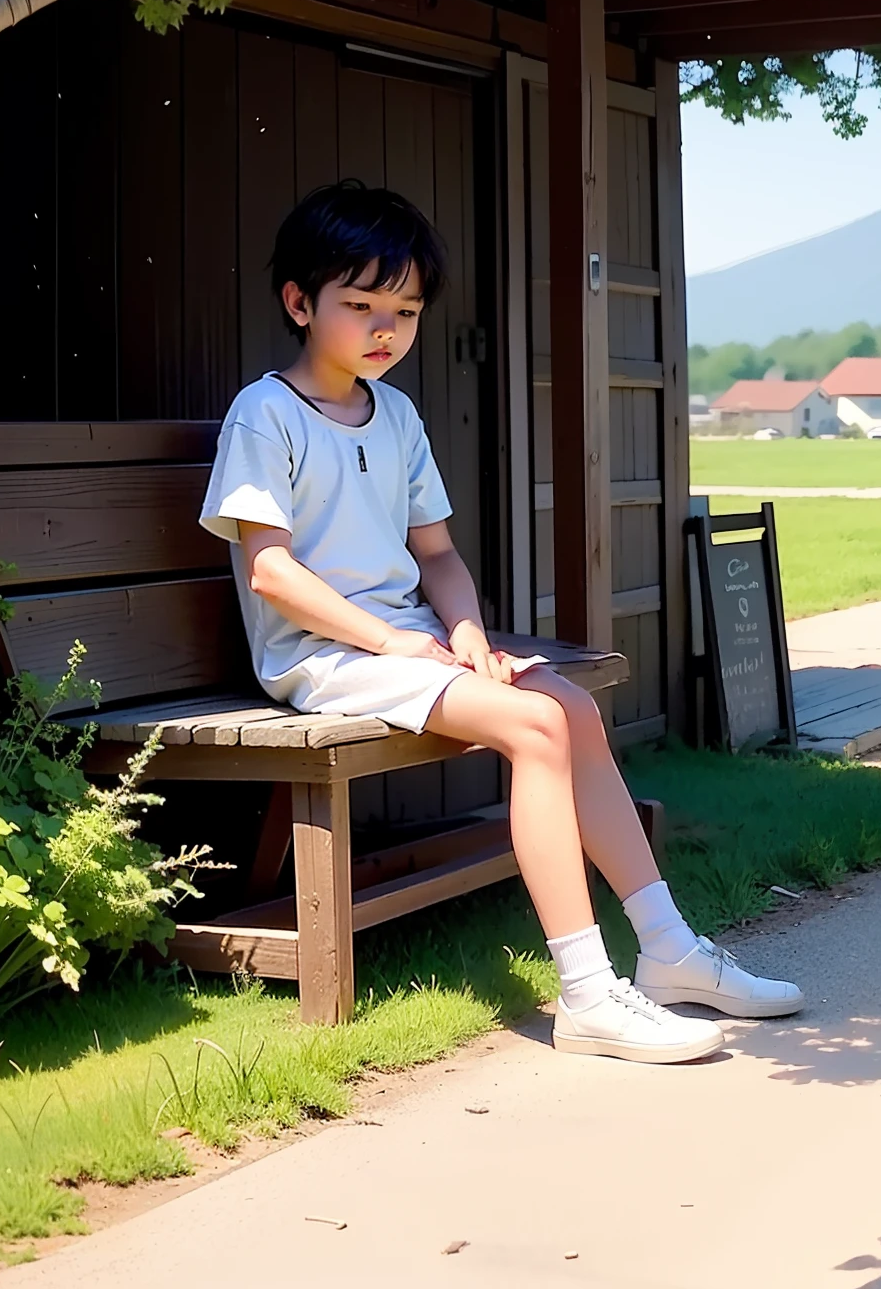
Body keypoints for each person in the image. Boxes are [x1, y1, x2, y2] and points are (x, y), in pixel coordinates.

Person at [201, 180, 802, 1065]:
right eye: (360, 304)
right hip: (324, 657)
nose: (385, 329)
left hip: (409, 643)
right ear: (299, 303)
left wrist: (471, 632)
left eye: (403, 310)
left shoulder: (395, 414)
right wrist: (396, 640)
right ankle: (589, 993)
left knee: (574, 707)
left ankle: (670, 950)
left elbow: (437, 555)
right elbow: (272, 571)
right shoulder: (266, 414)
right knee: (534, 725)